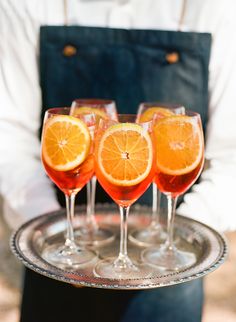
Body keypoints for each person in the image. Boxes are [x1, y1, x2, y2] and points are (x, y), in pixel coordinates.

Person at [0, 0, 236, 321]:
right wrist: (55, 229)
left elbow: (231, 155)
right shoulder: (25, 4)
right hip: (57, 277)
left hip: (168, 285)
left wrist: (174, 237)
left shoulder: (214, 8)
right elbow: (8, 130)